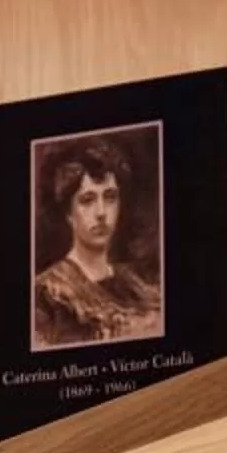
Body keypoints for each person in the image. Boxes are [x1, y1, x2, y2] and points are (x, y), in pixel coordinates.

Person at [32, 135, 163, 349]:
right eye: (87, 200)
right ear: (68, 213)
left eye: (110, 197)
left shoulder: (135, 284)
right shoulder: (48, 294)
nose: (101, 213)